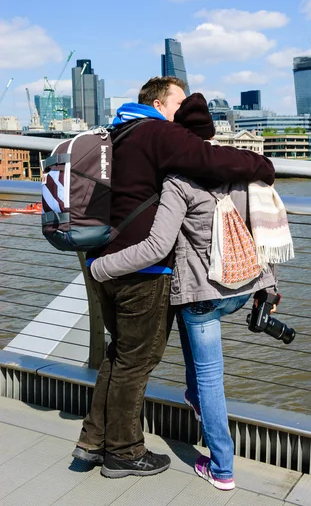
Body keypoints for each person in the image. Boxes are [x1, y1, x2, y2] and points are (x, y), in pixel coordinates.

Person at [72, 76, 275, 479]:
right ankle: (125, 453)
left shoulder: (118, 131)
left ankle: (93, 442)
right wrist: (262, 166)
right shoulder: (158, 132)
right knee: (137, 361)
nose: (181, 113)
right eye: (178, 104)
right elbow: (213, 160)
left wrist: (97, 267)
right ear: (161, 104)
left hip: (105, 257)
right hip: (141, 271)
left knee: (119, 354)